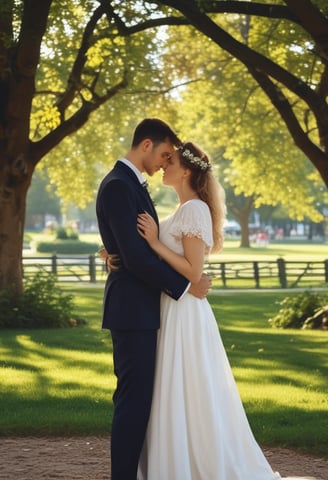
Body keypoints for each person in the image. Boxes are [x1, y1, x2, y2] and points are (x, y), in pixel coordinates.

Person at [136, 142, 308, 480]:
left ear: (185, 171)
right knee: (172, 388)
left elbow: (194, 271)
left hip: (184, 312)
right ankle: (172, 459)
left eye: (169, 162)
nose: (162, 166)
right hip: (170, 310)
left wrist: (156, 244)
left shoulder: (195, 210)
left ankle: (195, 463)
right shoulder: (178, 212)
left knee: (189, 386)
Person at [95, 119, 211, 480]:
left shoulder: (130, 185)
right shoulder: (119, 185)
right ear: (146, 145)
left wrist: (113, 251)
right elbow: (135, 256)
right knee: (133, 400)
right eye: (163, 154)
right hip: (132, 312)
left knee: (142, 400)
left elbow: (132, 249)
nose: (164, 162)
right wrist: (184, 285)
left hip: (143, 310)